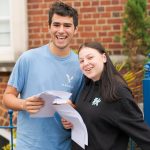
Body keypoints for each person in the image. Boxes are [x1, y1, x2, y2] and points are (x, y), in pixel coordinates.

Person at [2, 2, 83, 150]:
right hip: (28, 147)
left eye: (67, 26)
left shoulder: (80, 66)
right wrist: (24, 104)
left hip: (64, 147)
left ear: (75, 29)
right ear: (49, 27)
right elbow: (7, 98)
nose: (61, 30)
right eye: (56, 25)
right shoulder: (28, 59)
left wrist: (73, 113)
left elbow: (82, 108)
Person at [62, 41, 150, 150]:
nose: (85, 63)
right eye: (81, 61)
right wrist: (71, 121)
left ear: (104, 57)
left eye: (90, 58)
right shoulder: (88, 85)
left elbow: (143, 134)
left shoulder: (118, 91)